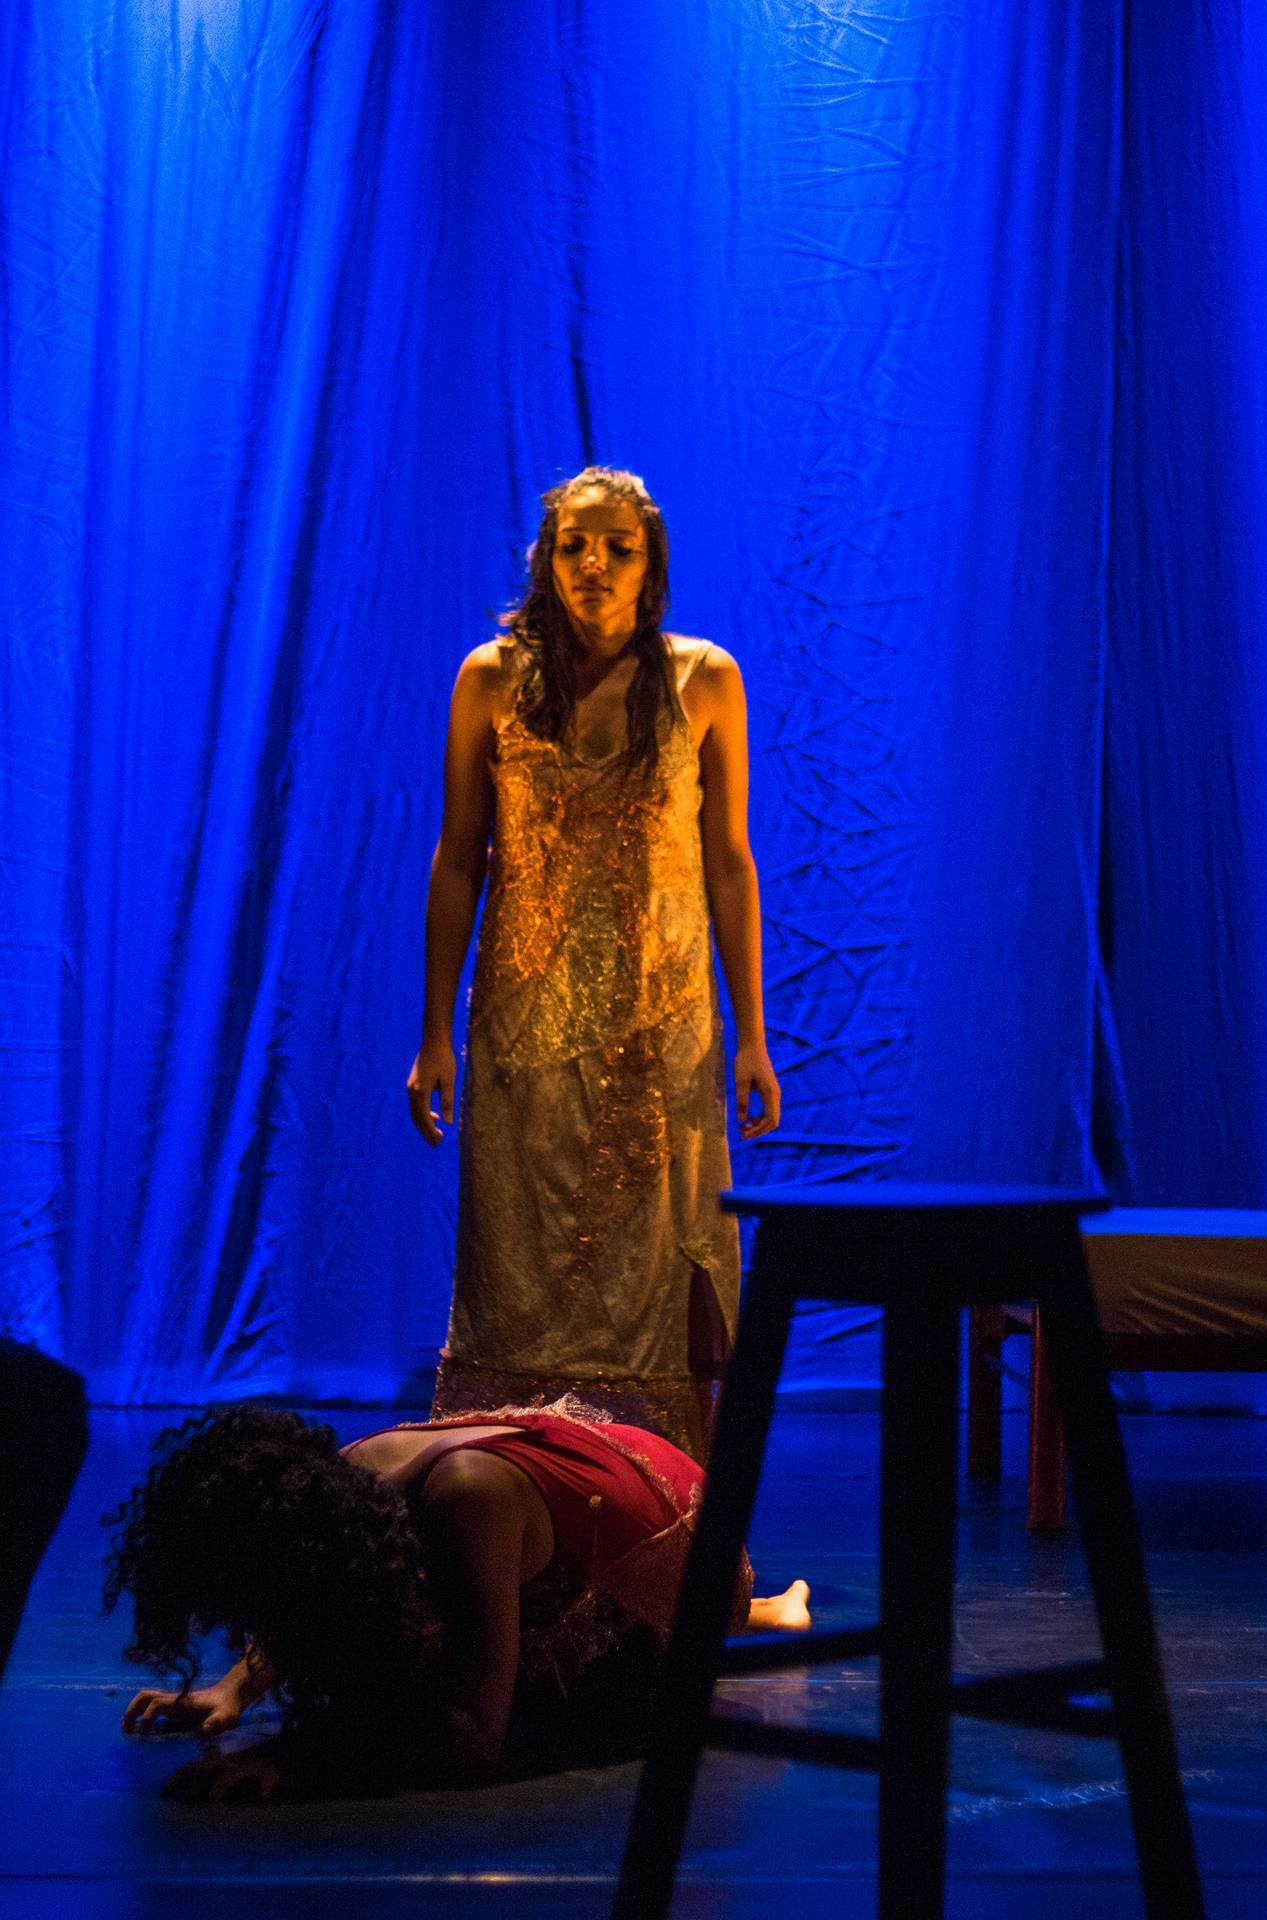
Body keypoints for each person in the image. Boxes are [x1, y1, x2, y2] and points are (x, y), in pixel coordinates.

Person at [407, 468, 781, 1461]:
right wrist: (434, 1033)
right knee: (522, 1273)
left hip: (658, 1035)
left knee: (657, 1276)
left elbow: (729, 862)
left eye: (618, 547)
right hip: (524, 1033)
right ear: (546, 559)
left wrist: (752, 1036)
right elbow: (459, 858)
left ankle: (666, 1506)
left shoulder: (705, 679)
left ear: (650, 564)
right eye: (574, 544)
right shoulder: (490, 679)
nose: (594, 564)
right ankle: (504, 1495)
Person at [108, 1403, 810, 1801]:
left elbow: (474, 1737)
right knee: (426, 1634)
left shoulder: (468, 1499)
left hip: (686, 1544)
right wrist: (235, 1687)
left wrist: (296, 1761)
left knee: (484, 1684)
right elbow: (309, 1587)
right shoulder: (342, 1489)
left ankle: (748, 1610)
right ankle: (771, 1613)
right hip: (582, 1495)